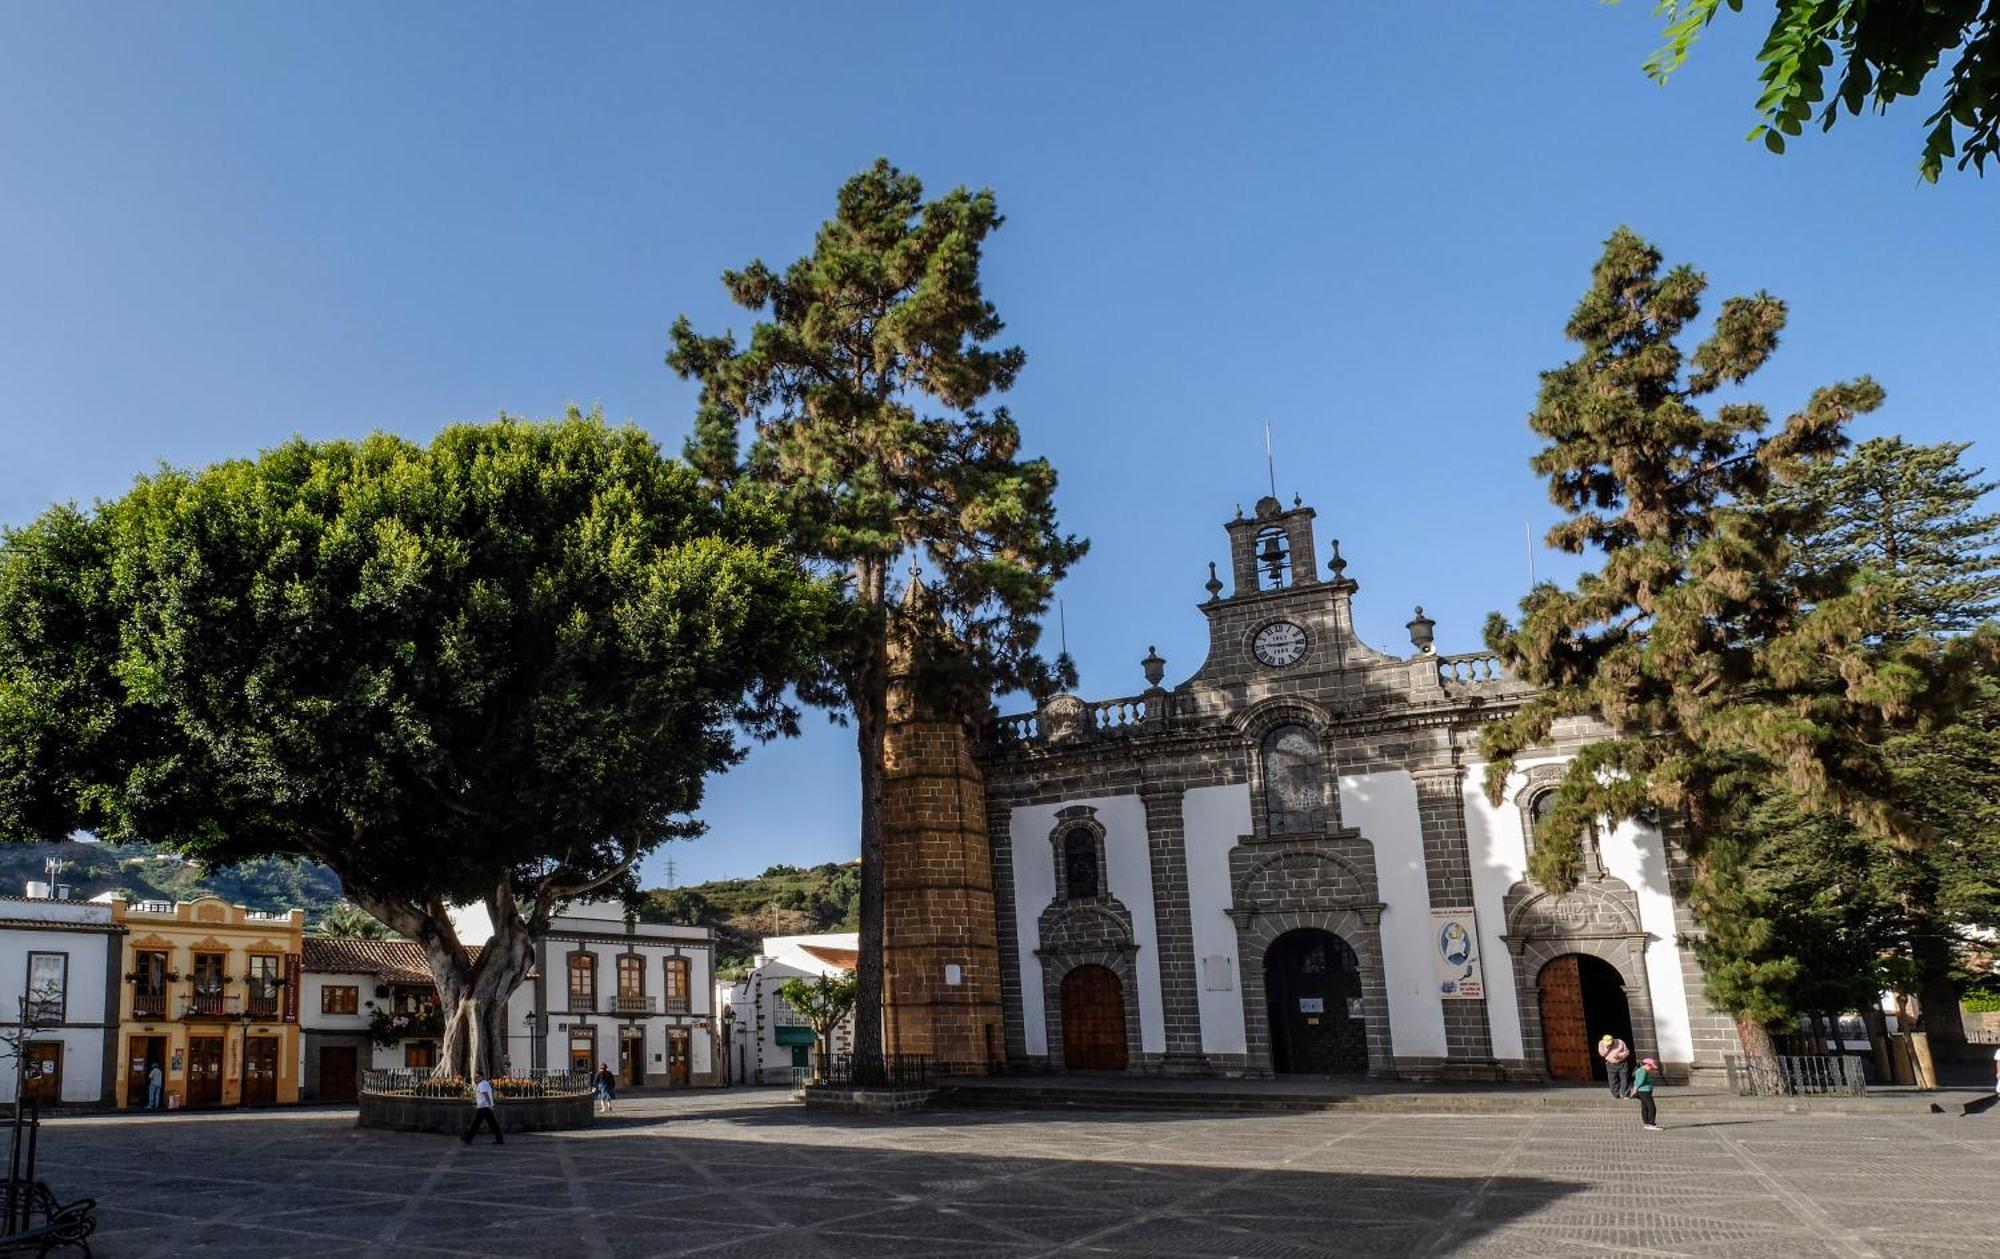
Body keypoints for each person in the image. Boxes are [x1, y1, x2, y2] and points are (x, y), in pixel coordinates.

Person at [462, 1071, 503, 1145]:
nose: (475, 1079)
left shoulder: (482, 1084)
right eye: (475, 1077)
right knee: (491, 1124)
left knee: (476, 1124)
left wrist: (490, 1105)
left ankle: (468, 1139)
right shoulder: (483, 1083)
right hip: (484, 1107)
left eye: (477, 1077)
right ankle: (499, 1139)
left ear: (482, 1077)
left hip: (485, 1108)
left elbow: (485, 1094)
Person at [1598, 1034, 1633, 1098]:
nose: (1609, 1044)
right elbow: (1602, 1054)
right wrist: (1606, 1048)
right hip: (1610, 1063)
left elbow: (1627, 1052)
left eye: (1610, 1043)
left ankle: (1625, 1094)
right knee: (1612, 1080)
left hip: (1622, 1063)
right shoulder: (1601, 1043)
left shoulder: (1620, 1042)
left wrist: (1619, 1056)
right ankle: (1615, 1095)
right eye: (1607, 1043)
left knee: (1625, 1078)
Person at [1633, 1056, 1662, 1131]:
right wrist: (1635, 1088)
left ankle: (1646, 1123)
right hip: (1644, 1091)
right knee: (1651, 1107)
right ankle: (1651, 1123)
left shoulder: (1640, 1070)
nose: (1651, 1069)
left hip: (1643, 1091)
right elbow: (1640, 1081)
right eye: (1651, 1066)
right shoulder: (1643, 1071)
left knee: (1644, 1107)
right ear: (1647, 1065)